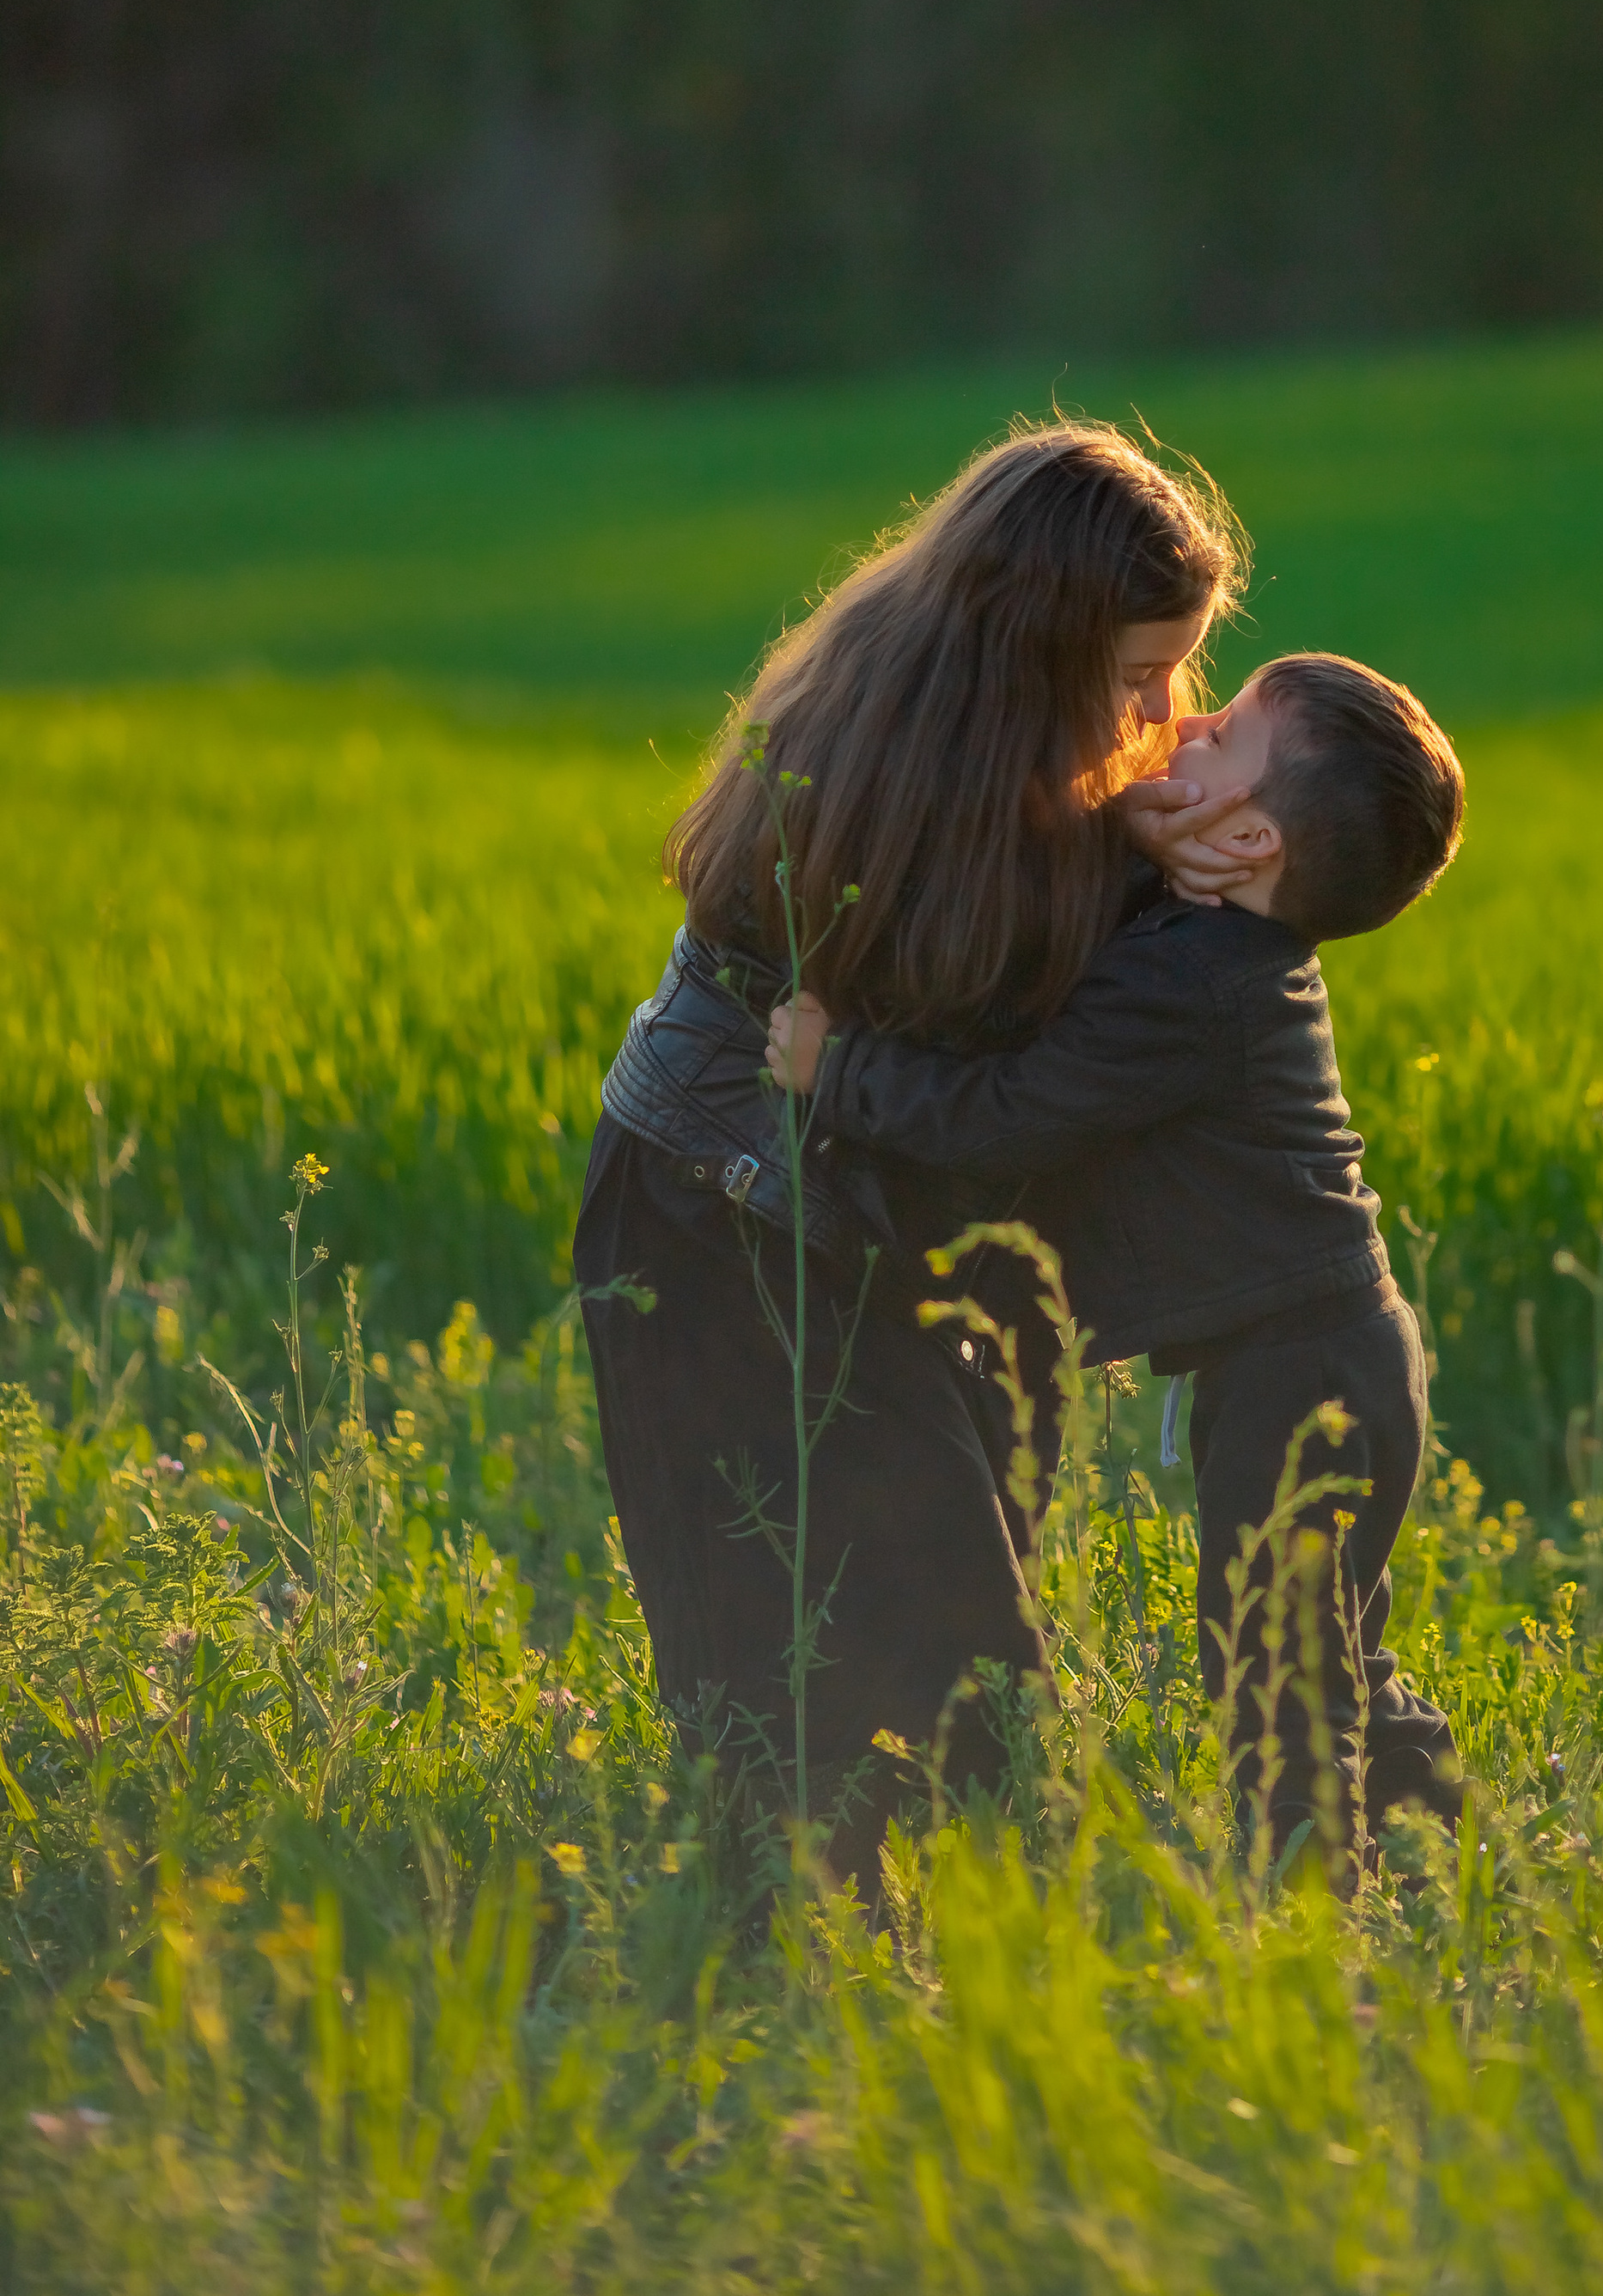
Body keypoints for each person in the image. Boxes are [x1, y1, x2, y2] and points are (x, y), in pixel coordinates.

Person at [574, 421, 1248, 1878]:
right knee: (799, 1710)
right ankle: (774, 1972)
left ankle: (925, 1962)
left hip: (852, 1222)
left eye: (1177, 672)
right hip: (718, 1219)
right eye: (1135, 678)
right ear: (1033, 659)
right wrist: (1154, 875)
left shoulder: (1027, 751)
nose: (1162, 714)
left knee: (961, 1695)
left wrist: (1167, 849)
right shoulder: (892, 773)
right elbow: (982, 1036)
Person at [769, 649, 1466, 1871]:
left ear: (1246, 843)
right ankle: (1439, 1839)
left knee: (1278, 1664)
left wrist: (842, 1070)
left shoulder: (1194, 981)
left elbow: (1014, 1114)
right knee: (1332, 1641)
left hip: (1302, 1373)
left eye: (1222, 735)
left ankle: (1312, 1907)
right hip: (1335, 1346)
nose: (1183, 727)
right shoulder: (1211, 943)